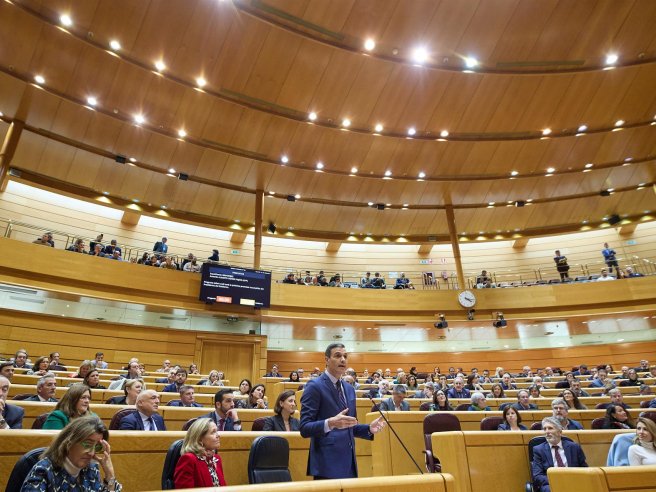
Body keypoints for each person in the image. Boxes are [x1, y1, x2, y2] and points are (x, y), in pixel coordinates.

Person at [300, 343, 385, 479]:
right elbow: (304, 428)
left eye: (345, 356)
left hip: (349, 463)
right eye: (338, 356)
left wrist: (369, 428)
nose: (343, 359)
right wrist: (330, 423)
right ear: (327, 360)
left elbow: (349, 425)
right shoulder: (314, 386)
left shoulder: (349, 389)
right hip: (326, 464)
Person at [21, 415, 121, 491]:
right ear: (69, 443)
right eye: (87, 445)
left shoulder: (91, 468)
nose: (92, 453)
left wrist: (110, 475)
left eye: (97, 447)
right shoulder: (43, 471)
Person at [532, 417, 588, 492]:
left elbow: (584, 469)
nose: (547, 432)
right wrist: (559, 479)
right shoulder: (539, 450)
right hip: (551, 484)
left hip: (572, 482)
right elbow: (537, 476)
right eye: (545, 429)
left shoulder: (574, 447)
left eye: (550, 428)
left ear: (560, 432)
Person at [173, 418, 226, 489]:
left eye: (217, 431)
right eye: (213, 432)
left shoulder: (216, 459)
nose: (218, 435)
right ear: (200, 439)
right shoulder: (189, 459)